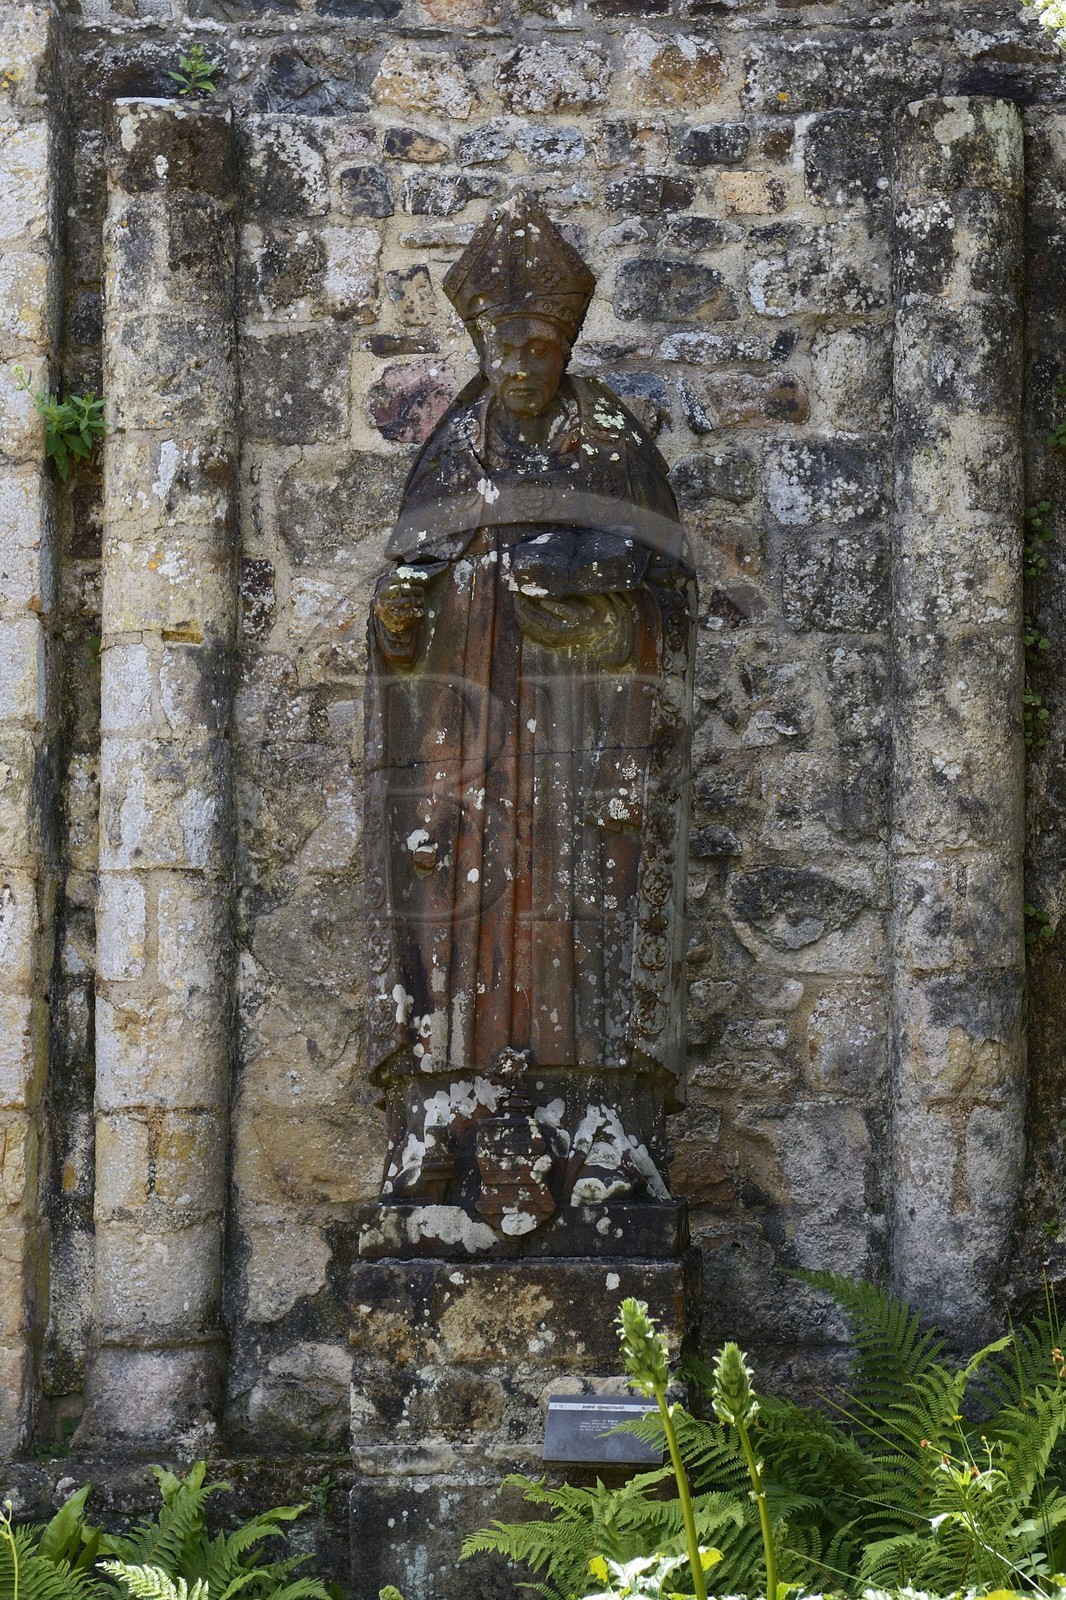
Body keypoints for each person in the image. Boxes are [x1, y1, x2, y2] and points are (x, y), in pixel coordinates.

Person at [363, 191, 697, 1249]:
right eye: (504, 349)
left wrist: (596, 602)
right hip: (471, 741)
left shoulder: (611, 448)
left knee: (588, 903)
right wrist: (402, 619)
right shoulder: (451, 452)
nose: (520, 367)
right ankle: (447, 1108)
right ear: (482, 348)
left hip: (580, 737)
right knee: (459, 905)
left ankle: (600, 1121)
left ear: (563, 348)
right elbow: (400, 614)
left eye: (539, 348)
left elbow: (670, 606)